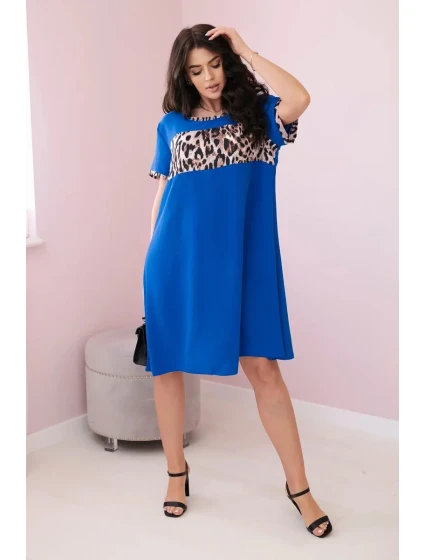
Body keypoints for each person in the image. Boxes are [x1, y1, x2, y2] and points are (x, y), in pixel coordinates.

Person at [143, 24, 332, 538]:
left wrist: (246, 49)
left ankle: (300, 489)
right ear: (183, 76)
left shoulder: (259, 115)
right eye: (196, 70)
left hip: (246, 263)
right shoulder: (171, 125)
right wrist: (150, 261)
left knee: (264, 369)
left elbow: (300, 98)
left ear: (227, 64)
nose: (208, 77)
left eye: (215, 64)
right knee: (168, 366)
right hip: (175, 261)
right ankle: (176, 475)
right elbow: (163, 194)